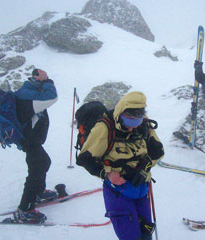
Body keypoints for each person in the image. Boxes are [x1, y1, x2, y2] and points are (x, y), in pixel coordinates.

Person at [76, 91, 164, 240]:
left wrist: (144, 168)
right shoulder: (104, 128)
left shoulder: (144, 124)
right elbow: (85, 159)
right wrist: (108, 174)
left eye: (136, 124)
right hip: (118, 193)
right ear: (121, 115)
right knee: (130, 236)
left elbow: (158, 151)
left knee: (145, 232)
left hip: (142, 188)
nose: (131, 129)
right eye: (128, 124)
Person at [14, 69, 58, 222]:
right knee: (37, 168)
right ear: (36, 79)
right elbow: (52, 97)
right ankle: (25, 210)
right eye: (42, 79)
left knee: (44, 162)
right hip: (29, 140)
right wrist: (47, 81)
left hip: (32, 139)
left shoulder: (29, 91)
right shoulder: (28, 95)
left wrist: (43, 82)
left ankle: (39, 192)